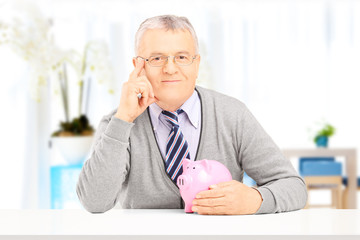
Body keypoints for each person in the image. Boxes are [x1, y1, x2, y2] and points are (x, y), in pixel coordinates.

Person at [76, 15, 307, 215]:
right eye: (157, 58)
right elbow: (94, 202)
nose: (170, 68)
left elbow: (294, 187)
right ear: (138, 66)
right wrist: (123, 120)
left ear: (196, 64)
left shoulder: (232, 115)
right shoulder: (117, 123)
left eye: (182, 57)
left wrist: (255, 200)